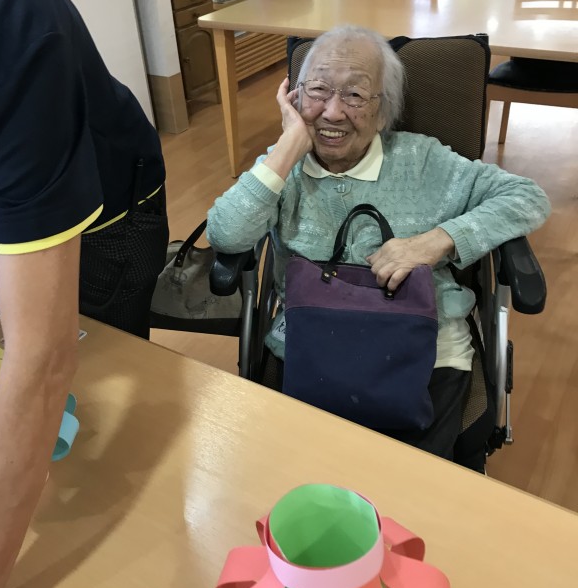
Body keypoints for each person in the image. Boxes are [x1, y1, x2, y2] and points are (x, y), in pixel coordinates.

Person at [207, 24, 550, 463]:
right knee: (304, 472)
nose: (332, 112)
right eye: (318, 90)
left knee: (407, 483)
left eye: (354, 95)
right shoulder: (281, 167)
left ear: (383, 110)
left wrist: (437, 241)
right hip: (313, 346)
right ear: (293, 98)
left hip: (424, 353)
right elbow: (227, 234)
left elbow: (526, 197)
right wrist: (290, 145)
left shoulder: (421, 161)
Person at [0, 0, 168, 588]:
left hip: (106, 214)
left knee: (90, 426)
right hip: (0, 190)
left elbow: (42, 358)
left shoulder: (11, 31)